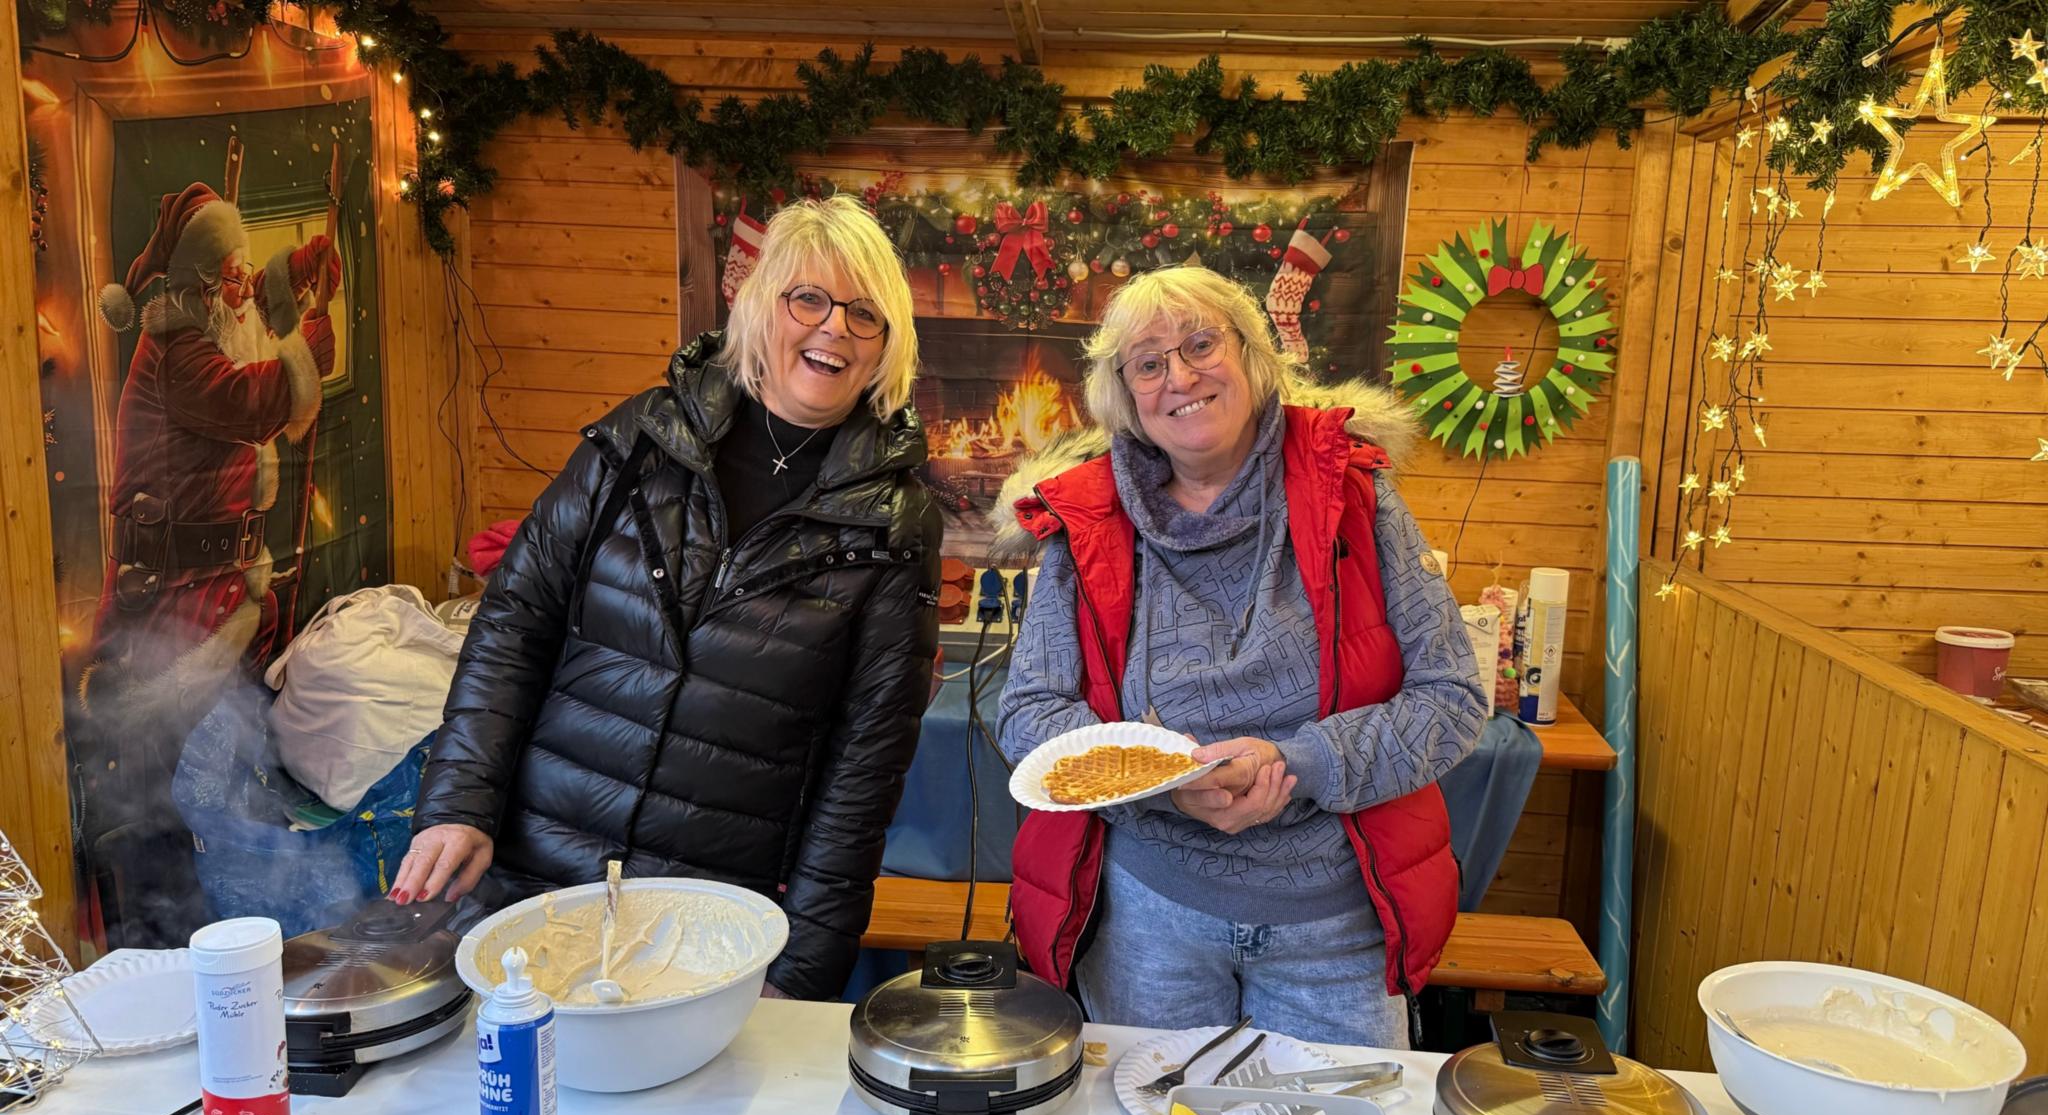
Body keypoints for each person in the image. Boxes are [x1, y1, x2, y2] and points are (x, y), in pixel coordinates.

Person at [398, 195, 943, 1002]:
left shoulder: (896, 523)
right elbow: (514, 626)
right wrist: (458, 803)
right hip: (531, 883)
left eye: (865, 315)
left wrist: (800, 974)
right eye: (810, 299)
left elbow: (865, 764)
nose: (834, 328)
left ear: (886, 348)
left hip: (711, 924)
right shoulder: (638, 443)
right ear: (761, 305)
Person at [994, 266, 1486, 1047]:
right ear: (1125, 392)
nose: (1179, 378)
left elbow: (1453, 698)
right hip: (1147, 925)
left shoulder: (1357, 495)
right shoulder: (1088, 520)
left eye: (1199, 345)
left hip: (1334, 930)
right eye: (1149, 363)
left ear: (1255, 356)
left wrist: (1296, 763)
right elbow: (1028, 715)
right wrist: (1163, 784)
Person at [84, 179, 340, 947]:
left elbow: (253, 316)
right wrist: (306, 331)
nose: (243, 289)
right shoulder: (177, 352)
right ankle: (172, 941)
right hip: (166, 607)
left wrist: (291, 272)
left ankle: (240, 926)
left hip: (218, 594)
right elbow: (252, 399)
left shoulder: (210, 325)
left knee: (227, 763)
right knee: (166, 780)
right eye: (231, 273)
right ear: (201, 283)